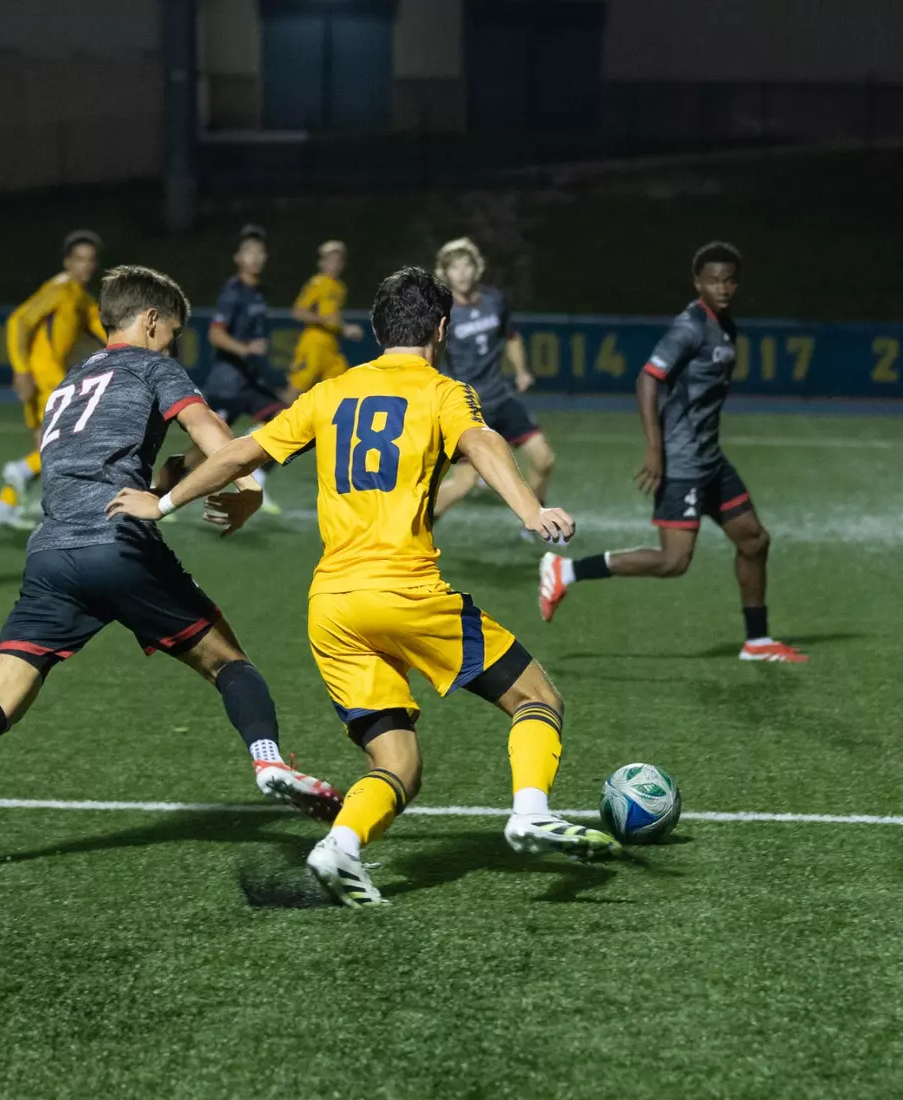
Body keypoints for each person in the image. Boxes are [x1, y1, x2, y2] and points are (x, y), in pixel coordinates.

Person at [110, 265, 622, 908]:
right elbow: (483, 442)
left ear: (378, 330)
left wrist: (165, 503)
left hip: (332, 609)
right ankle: (529, 811)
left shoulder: (330, 392)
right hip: (403, 591)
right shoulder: (443, 390)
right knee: (536, 698)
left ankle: (339, 848)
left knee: (398, 763)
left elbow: (240, 453)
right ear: (441, 328)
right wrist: (529, 510)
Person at [0, 265, 341, 878]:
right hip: (119, 544)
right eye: (170, 331)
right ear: (148, 322)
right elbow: (223, 444)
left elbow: (113, 464)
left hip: (51, 555)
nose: (172, 344)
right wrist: (243, 489)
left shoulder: (69, 384)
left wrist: (171, 475)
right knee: (229, 663)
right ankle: (271, 761)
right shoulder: (155, 368)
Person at [538, 242, 807, 663]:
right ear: (697, 283)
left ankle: (757, 642)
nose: (723, 288)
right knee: (673, 562)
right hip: (682, 462)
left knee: (754, 540)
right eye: (713, 280)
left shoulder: (725, 324)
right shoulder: (690, 327)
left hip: (710, 459)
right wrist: (655, 449)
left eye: (730, 280)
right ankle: (565, 570)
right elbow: (648, 379)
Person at [429, 237, 555, 529]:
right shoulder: (441, 313)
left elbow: (510, 336)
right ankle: (416, 528)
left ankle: (535, 522)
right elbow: (429, 353)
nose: (461, 273)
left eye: (466, 265)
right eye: (454, 267)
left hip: (499, 397)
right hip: (467, 407)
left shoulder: (494, 300)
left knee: (544, 460)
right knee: (464, 484)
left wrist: (522, 370)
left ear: (478, 268)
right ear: (445, 273)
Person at [0, 230, 108, 531]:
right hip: (45, 378)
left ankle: (3, 507)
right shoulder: (59, 289)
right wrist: (21, 369)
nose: (85, 266)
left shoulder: (80, 296)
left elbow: (102, 328)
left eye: (90, 260)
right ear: (67, 261)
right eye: (79, 259)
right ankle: (21, 470)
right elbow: (18, 320)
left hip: (47, 378)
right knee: (67, 443)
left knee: (46, 444)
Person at [204, 224, 283, 513]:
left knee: (285, 420)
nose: (256, 257)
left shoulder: (258, 293)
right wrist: (246, 349)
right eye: (249, 252)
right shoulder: (233, 292)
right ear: (238, 258)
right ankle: (158, 489)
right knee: (203, 451)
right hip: (226, 384)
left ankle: (257, 479)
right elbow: (215, 333)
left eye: (260, 252)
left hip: (247, 383)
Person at [286, 240, 363, 397]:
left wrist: (344, 328)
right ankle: (270, 419)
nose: (334, 264)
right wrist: (327, 321)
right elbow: (299, 312)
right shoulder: (317, 283)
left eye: (338, 260)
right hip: (313, 340)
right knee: (299, 385)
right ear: (321, 262)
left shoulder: (339, 287)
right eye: (329, 259)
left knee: (340, 382)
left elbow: (332, 317)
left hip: (330, 343)